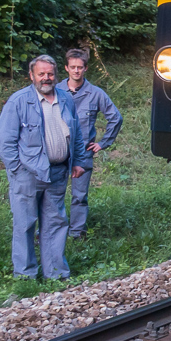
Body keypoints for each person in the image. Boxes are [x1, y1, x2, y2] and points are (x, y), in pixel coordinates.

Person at [0, 55, 89, 279]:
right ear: (31, 76)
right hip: (27, 175)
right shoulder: (19, 101)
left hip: (57, 172)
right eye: (41, 74)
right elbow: (3, 140)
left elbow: (76, 134)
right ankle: (25, 276)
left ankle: (56, 275)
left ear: (56, 75)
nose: (46, 78)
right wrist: (17, 169)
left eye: (50, 74)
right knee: (25, 224)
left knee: (56, 224)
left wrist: (77, 161)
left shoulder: (65, 98)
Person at [57, 48, 122, 238]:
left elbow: (115, 118)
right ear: (66, 68)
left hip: (82, 152)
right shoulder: (55, 90)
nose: (76, 71)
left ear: (86, 68)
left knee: (79, 196)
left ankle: (77, 233)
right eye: (72, 67)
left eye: (80, 67)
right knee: (53, 195)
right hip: (57, 151)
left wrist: (103, 143)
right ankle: (51, 232)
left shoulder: (96, 93)